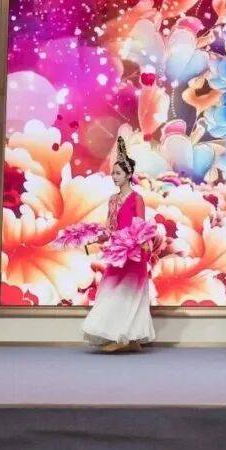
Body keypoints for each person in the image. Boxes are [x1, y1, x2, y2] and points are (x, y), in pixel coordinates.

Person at [82, 138, 156, 352]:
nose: (114, 177)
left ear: (128, 174)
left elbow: (140, 227)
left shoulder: (137, 199)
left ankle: (124, 338)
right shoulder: (112, 200)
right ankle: (126, 338)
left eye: (118, 173)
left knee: (129, 294)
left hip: (133, 253)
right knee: (112, 291)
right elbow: (110, 228)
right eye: (113, 173)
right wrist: (95, 238)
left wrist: (142, 247)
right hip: (117, 253)